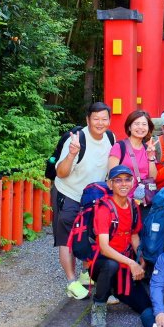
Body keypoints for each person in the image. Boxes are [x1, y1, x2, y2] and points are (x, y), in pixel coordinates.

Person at [53, 102, 114, 299]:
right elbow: (61, 173)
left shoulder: (111, 138)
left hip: (93, 197)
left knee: (89, 234)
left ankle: (85, 274)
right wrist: (71, 153)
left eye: (104, 118)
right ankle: (71, 281)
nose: (100, 123)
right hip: (69, 193)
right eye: (95, 118)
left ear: (109, 120)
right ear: (87, 120)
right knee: (67, 238)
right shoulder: (77, 139)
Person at [87, 165, 150, 327]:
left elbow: (134, 236)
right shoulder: (104, 208)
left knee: (146, 307)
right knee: (110, 265)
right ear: (110, 184)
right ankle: (99, 306)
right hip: (103, 264)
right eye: (118, 180)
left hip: (125, 265)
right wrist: (132, 263)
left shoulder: (132, 205)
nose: (123, 184)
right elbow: (104, 248)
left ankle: (116, 291)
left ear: (133, 182)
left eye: (127, 179)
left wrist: (141, 258)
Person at [109, 110, 158, 201]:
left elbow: (153, 178)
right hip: (123, 199)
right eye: (136, 124)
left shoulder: (147, 148)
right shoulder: (119, 147)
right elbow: (111, 176)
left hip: (143, 199)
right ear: (129, 127)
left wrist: (151, 157)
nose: (140, 127)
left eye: (144, 124)